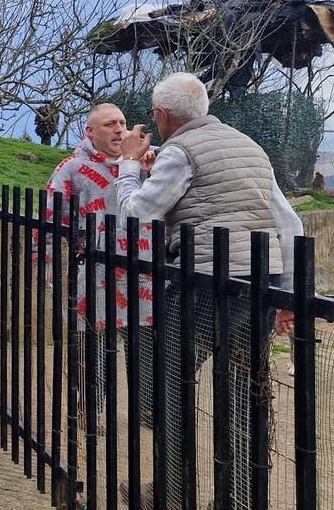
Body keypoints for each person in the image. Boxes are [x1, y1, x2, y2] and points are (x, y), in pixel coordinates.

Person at [115, 72, 302, 509]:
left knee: (169, 380)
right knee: (243, 388)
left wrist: (128, 165)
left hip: (208, 284)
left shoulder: (181, 150)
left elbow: (137, 214)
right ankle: (239, 496)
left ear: (162, 115)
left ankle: (172, 492)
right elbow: (288, 223)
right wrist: (289, 294)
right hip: (260, 283)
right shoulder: (248, 145)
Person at [43, 103, 155, 429]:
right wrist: (47, 264)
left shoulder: (149, 162)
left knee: (145, 347)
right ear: (90, 132)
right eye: (110, 124)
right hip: (96, 276)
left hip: (145, 272)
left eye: (122, 122)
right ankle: (89, 409)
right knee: (94, 348)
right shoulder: (73, 169)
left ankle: (148, 410)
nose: (120, 129)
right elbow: (50, 219)